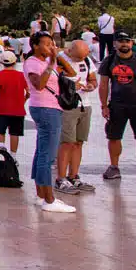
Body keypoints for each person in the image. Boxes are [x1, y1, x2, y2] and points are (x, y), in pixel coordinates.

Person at [24, 32, 74, 214]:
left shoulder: (46, 61)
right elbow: (38, 84)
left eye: (51, 44)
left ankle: (41, 194)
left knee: (41, 150)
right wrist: (52, 62)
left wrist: (57, 56)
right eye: (46, 44)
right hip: (45, 109)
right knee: (47, 155)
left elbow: (71, 73)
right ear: (35, 45)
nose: (49, 47)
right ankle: (49, 199)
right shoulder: (32, 62)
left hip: (51, 108)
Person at [54, 40, 97, 195]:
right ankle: (61, 178)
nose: (80, 60)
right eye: (77, 57)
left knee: (79, 142)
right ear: (69, 50)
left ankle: (74, 176)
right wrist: (72, 86)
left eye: (82, 57)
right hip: (67, 106)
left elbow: (93, 79)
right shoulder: (58, 59)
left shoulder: (86, 59)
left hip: (85, 104)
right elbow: (53, 81)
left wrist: (91, 86)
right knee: (67, 142)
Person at [98, 31, 136, 182]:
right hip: (117, 105)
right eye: (121, 41)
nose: (124, 44)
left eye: (127, 41)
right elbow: (103, 85)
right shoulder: (109, 61)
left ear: (131, 44)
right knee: (114, 137)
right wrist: (103, 106)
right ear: (115, 44)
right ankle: (114, 167)